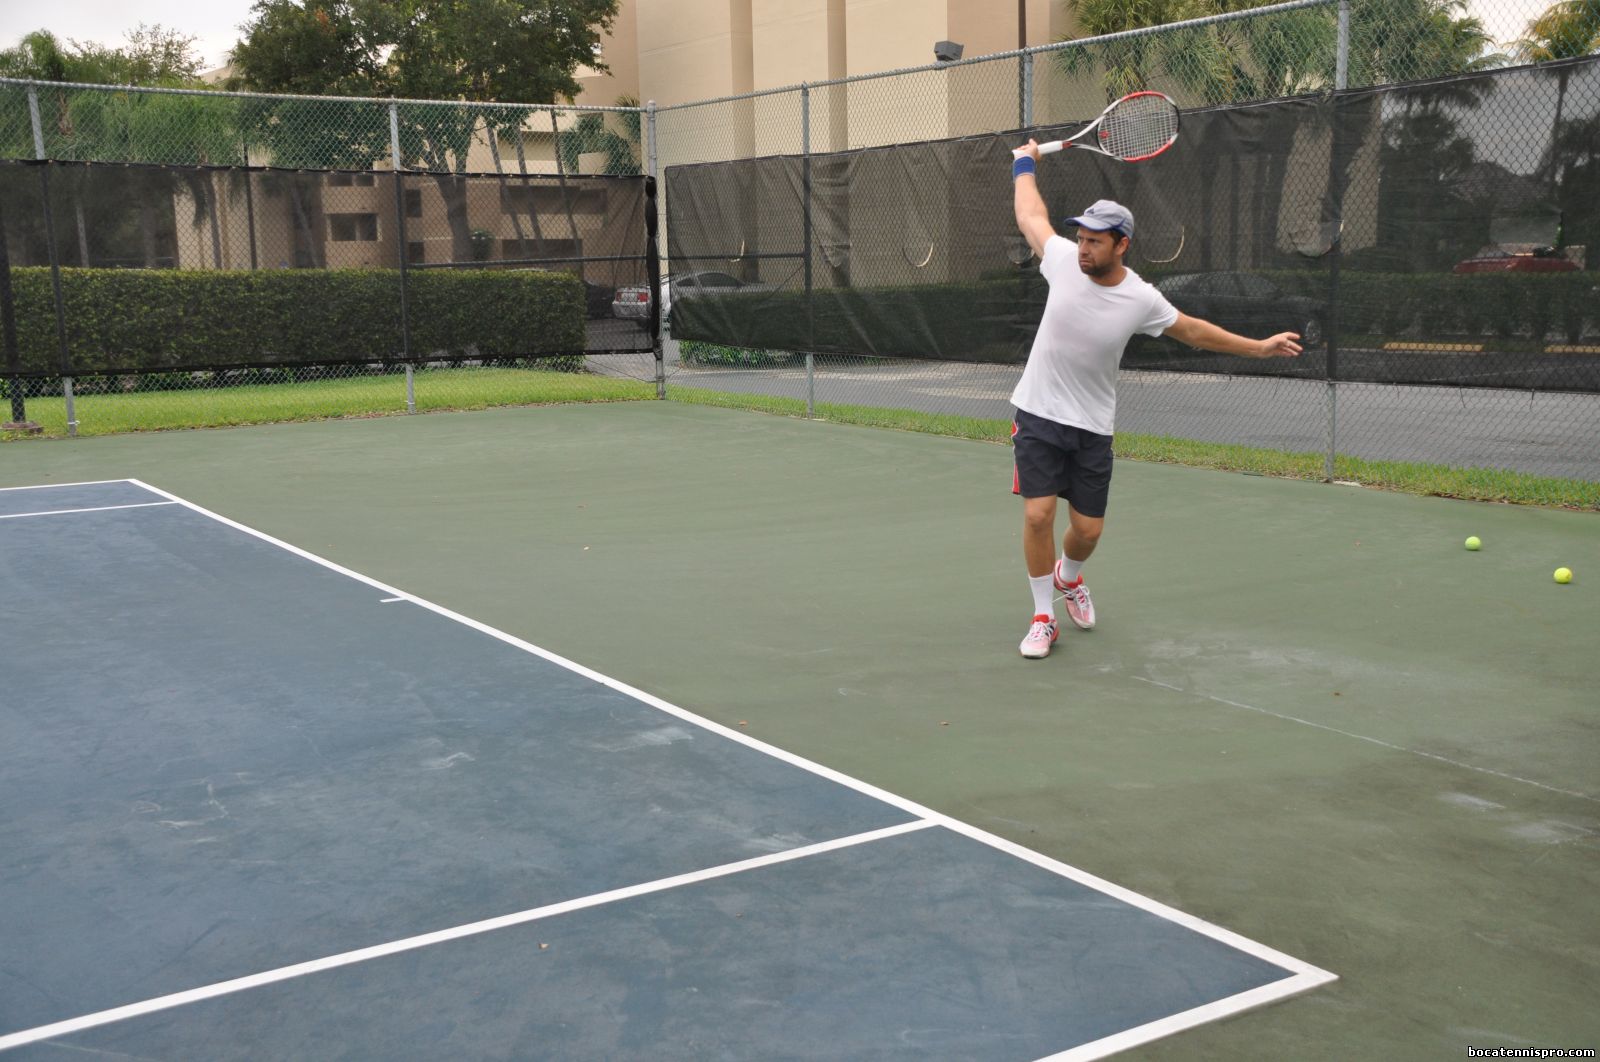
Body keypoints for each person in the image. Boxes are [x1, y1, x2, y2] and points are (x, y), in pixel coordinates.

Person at [1009, 139, 1302, 659]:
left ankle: (1068, 576)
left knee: (1087, 530)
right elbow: (1032, 215)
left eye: (1095, 241)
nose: (1082, 248)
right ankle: (1042, 616)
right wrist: (1024, 164)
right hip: (1039, 413)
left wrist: (1258, 347)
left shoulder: (1141, 298)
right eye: (1080, 238)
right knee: (1037, 516)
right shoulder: (1059, 261)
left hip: (1093, 427)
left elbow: (1193, 331)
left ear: (1121, 245)